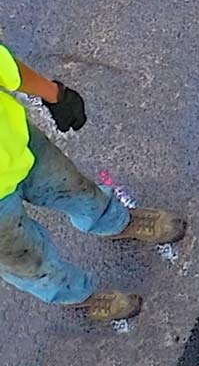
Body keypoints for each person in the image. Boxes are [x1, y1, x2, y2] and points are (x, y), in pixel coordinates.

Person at [1, 40, 186, 323]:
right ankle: (77, 296)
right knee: (27, 260)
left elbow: (6, 67)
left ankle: (115, 221)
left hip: (19, 145)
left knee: (74, 188)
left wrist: (55, 95)